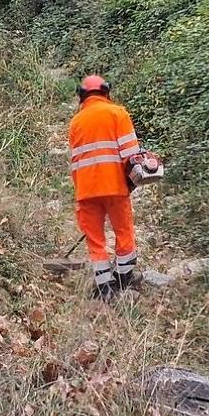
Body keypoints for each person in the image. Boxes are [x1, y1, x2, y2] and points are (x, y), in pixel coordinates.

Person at [68, 75, 143, 300]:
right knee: (124, 232)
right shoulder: (118, 113)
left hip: (86, 191)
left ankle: (105, 288)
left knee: (95, 241)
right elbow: (132, 157)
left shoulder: (75, 122)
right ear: (106, 91)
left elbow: (75, 162)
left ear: (82, 95)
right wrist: (132, 182)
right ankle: (123, 279)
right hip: (115, 187)